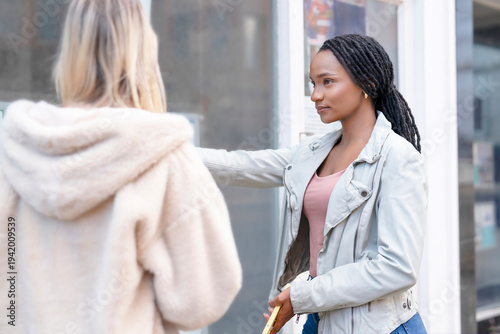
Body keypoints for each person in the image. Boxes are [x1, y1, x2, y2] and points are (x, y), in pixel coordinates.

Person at [0, 0, 241, 333]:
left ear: (70, 51)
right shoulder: (164, 159)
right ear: (143, 52)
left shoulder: (15, 153)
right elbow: (201, 300)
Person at [197, 34, 428, 333]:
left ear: (367, 84)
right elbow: (240, 166)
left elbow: (398, 268)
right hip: (322, 317)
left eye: (327, 82)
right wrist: (167, 149)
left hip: (381, 326)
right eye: (313, 83)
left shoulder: (398, 158)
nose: (315, 95)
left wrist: (302, 296)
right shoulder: (312, 153)